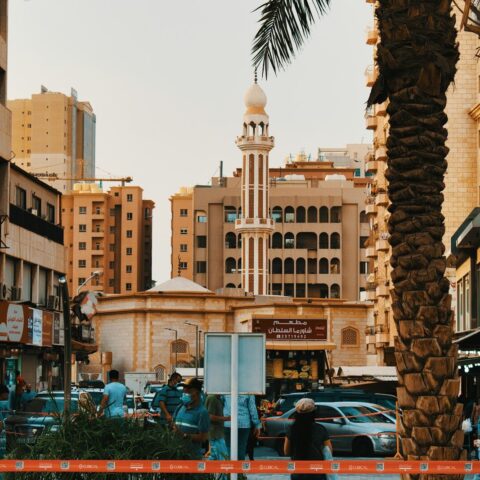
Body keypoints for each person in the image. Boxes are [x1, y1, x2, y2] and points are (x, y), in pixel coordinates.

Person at [284, 398, 332, 480]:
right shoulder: (320, 429)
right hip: (317, 472)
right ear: (313, 413)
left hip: (298, 472)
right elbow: (329, 451)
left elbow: (286, 452)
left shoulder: (292, 429)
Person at [173, 378, 210, 458]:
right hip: (176, 457)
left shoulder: (202, 412)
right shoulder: (180, 407)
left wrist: (184, 435)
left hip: (192, 459)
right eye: (184, 388)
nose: (185, 391)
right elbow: (173, 427)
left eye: (189, 389)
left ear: (197, 392)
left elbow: (204, 438)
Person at [223, 394, 261, 461]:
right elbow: (252, 408)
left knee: (228, 448)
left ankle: (229, 469)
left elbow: (221, 403)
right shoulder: (248, 389)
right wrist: (257, 425)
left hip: (228, 423)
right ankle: (239, 470)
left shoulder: (226, 388)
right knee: (241, 449)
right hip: (244, 424)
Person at [205, 393, 230, 464]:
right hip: (216, 435)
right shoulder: (212, 398)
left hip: (216, 433)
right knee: (223, 458)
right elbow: (209, 416)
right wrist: (226, 418)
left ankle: (206, 473)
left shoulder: (218, 399)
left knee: (213, 457)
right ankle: (223, 475)